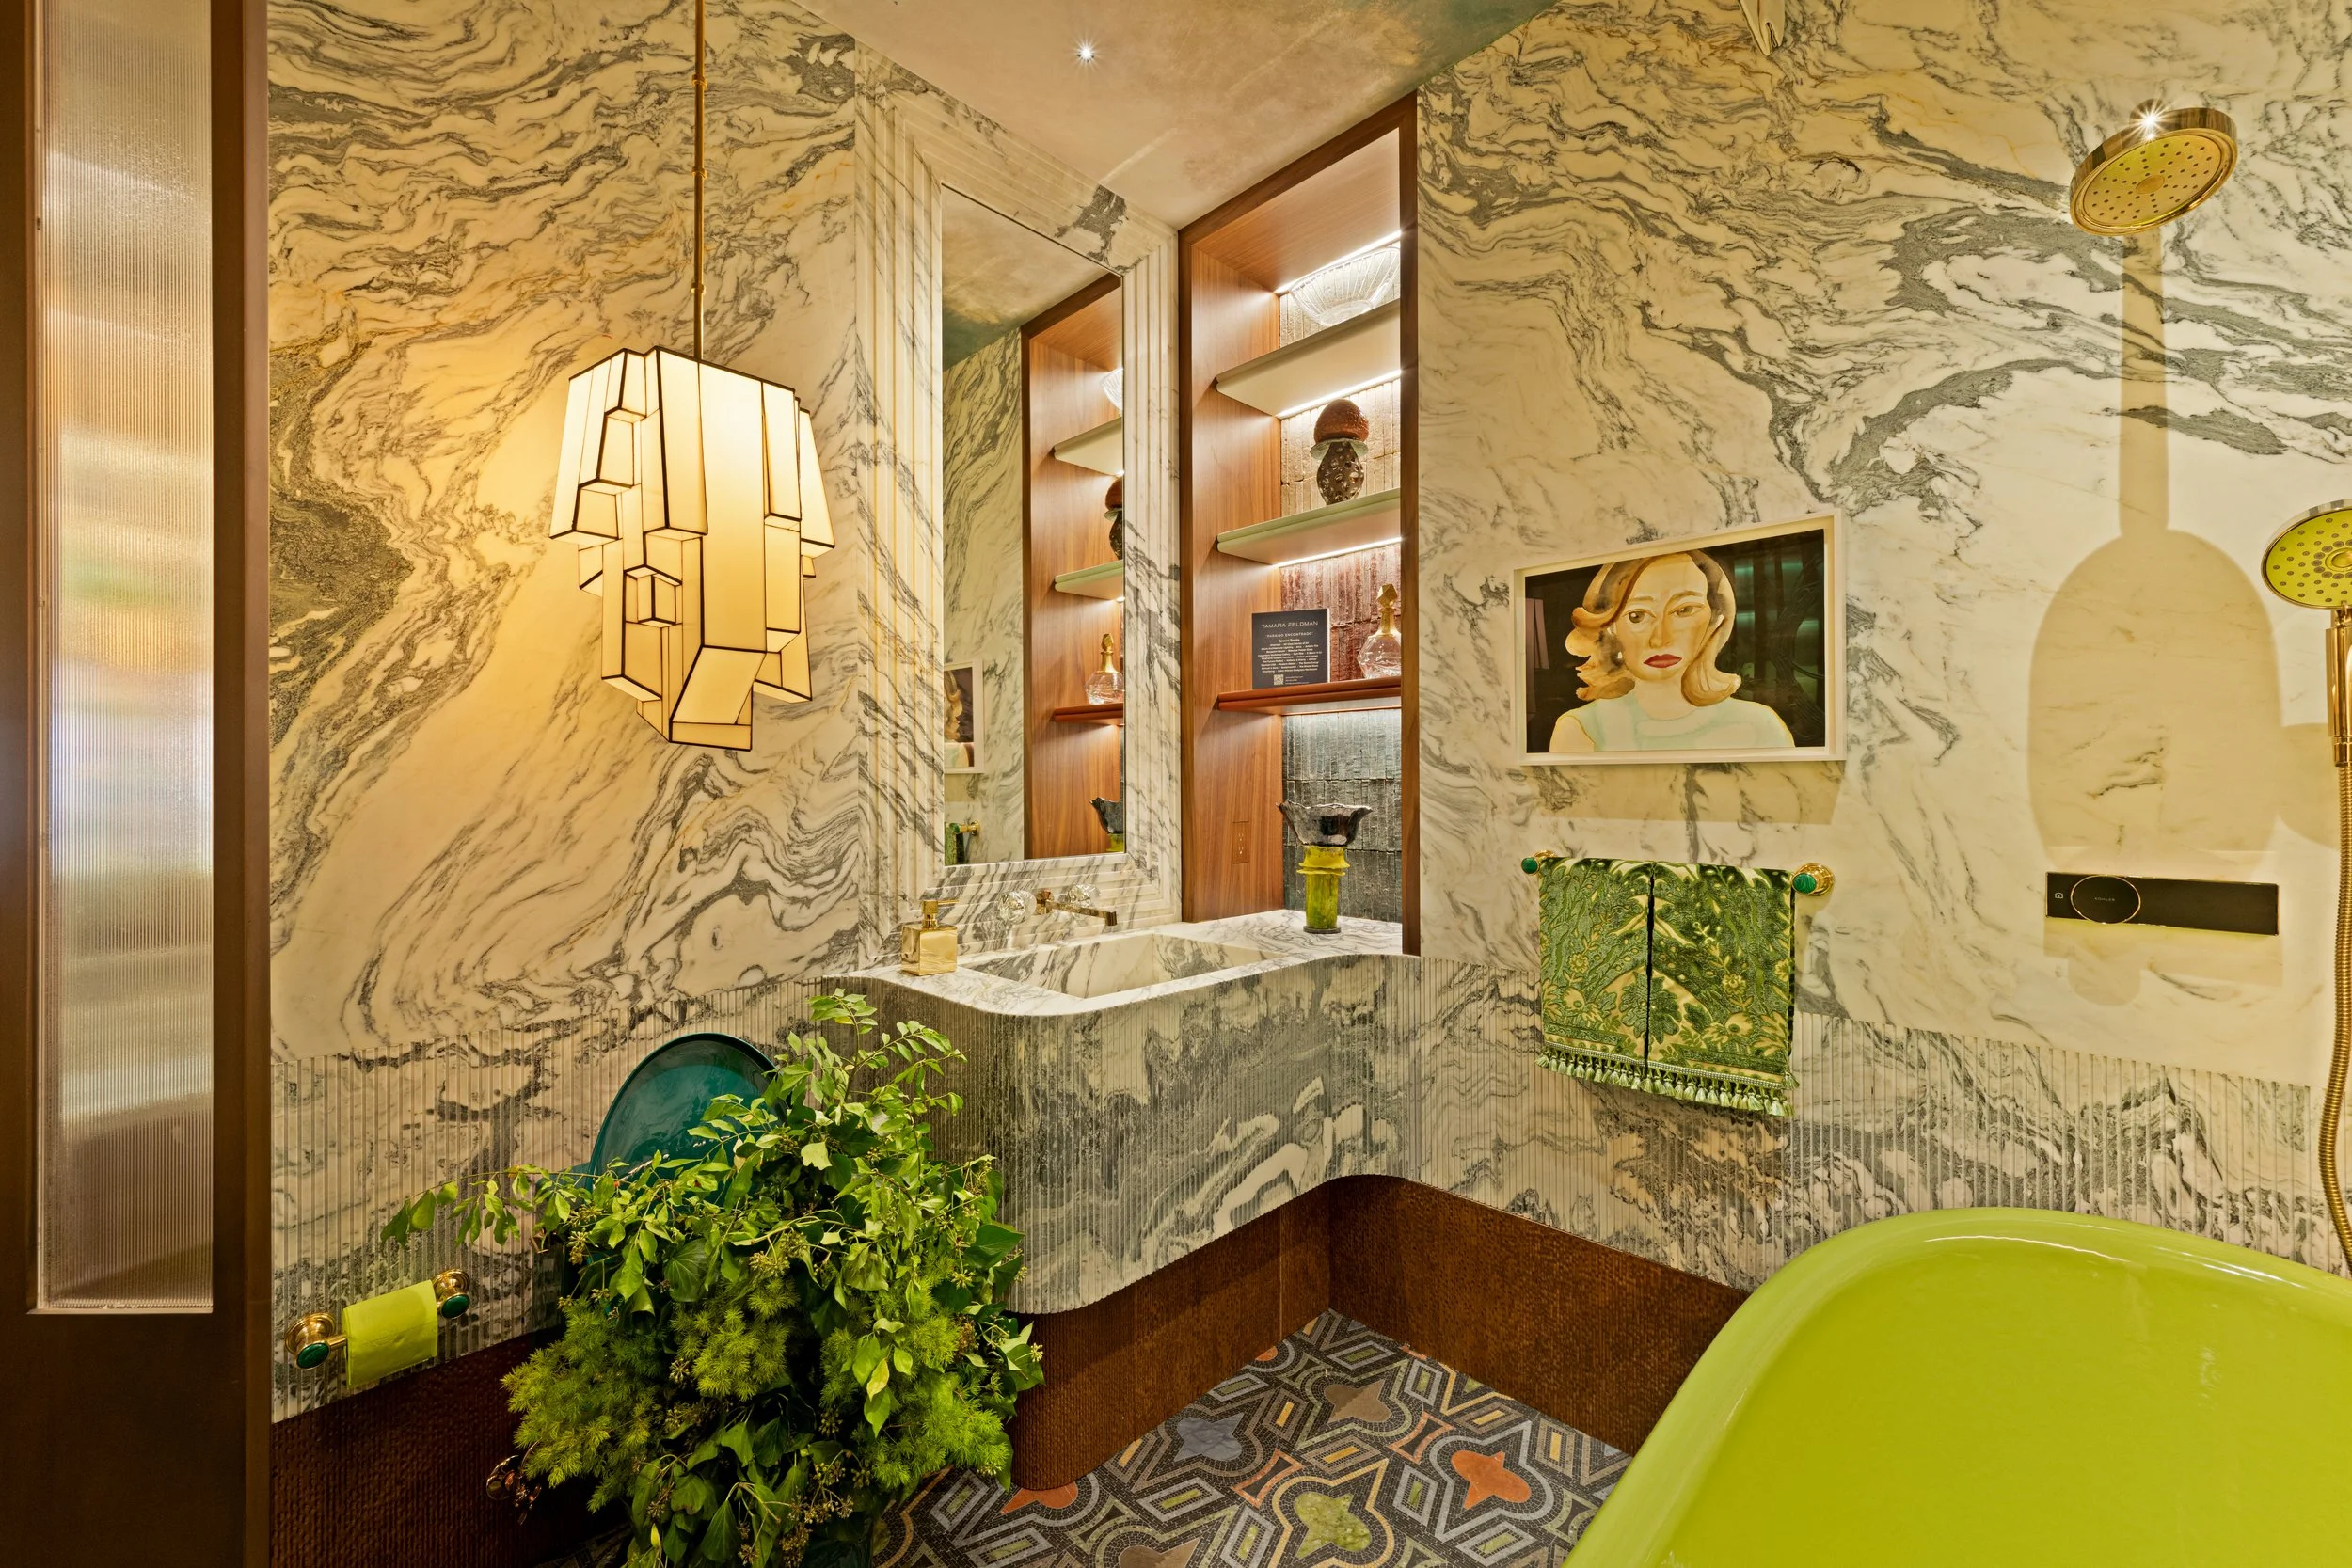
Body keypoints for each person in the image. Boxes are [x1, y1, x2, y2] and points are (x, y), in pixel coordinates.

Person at [1548, 549, 1793, 752]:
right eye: (1637, 616)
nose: (1660, 639)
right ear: (1611, 628)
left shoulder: (1761, 727)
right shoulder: (1579, 730)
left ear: (1715, 619)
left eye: (1684, 610)